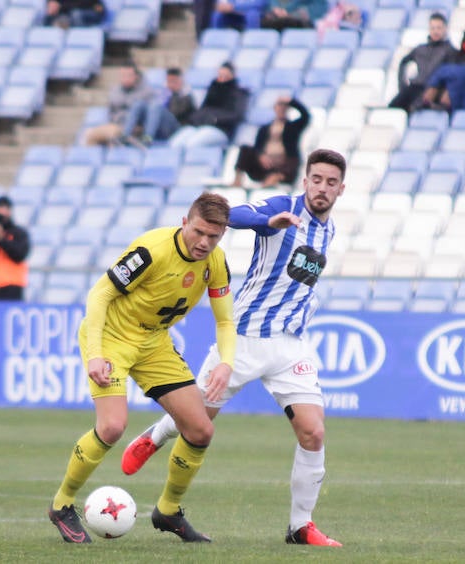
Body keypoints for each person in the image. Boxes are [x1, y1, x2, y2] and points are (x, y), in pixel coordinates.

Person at [120, 149, 347, 547]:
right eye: (316, 179)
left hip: (290, 345)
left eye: (331, 183)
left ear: (341, 189)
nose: (322, 189)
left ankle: (300, 526)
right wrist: (267, 222)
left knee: (313, 432)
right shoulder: (283, 208)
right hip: (242, 339)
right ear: (305, 180)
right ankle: (155, 437)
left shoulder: (329, 230)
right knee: (196, 420)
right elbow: (231, 215)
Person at [47, 193, 237, 544]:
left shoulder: (216, 262)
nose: (204, 243)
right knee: (113, 425)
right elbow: (101, 294)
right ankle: (62, 504)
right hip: (111, 337)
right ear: (185, 221)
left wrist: (226, 362)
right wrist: (95, 353)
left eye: (215, 236)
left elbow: (225, 321)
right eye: (199, 232)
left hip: (154, 344)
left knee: (199, 431)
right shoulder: (152, 250)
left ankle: (168, 511)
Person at [232, 96, 310, 188]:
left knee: (292, 162)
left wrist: (291, 101)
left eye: (284, 107)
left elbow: (306, 115)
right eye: (279, 106)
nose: (281, 109)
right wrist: (261, 155)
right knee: (245, 149)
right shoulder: (264, 129)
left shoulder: (293, 127)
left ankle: (277, 177)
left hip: (283, 167)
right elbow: (257, 147)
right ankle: (237, 180)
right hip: (265, 166)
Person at [388, 12, 457, 114]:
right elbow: (403, 62)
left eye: (439, 28)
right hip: (415, 87)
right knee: (392, 109)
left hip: (433, 90)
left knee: (418, 109)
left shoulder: (450, 51)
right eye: (433, 28)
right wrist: (402, 85)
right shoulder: (420, 49)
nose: (435, 31)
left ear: (445, 29)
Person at [169, 62, 249, 149]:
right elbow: (203, 109)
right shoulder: (212, 89)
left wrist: (215, 119)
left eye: (226, 75)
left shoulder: (239, 93)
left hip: (220, 129)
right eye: (220, 75)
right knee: (175, 144)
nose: (222, 78)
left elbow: (237, 115)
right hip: (200, 126)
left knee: (193, 144)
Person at [82, 63, 157, 146]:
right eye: (123, 75)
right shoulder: (115, 91)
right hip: (116, 125)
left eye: (128, 75)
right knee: (89, 134)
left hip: (135, 128)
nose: (125, 78)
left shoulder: (146, 91)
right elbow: (111, 111)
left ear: (136, 76)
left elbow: (151, 115)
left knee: (111, 135)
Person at [120, 67, 197, 147]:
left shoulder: (186, 97)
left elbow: (174, 112)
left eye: (174, 81)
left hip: (176, 129)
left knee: (156, 106)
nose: (171, 84)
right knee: (139, 104)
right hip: (159, 126)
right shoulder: (163, 93)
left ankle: (147, 138)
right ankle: (125, 136)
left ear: (181, 81)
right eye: (169, 81)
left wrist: (170, 96)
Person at [261, 0, 328, 31]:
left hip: (303, 28)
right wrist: (276, 11)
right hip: (274, 27)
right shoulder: (272, 3)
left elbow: (318, 13)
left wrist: (289, 14)